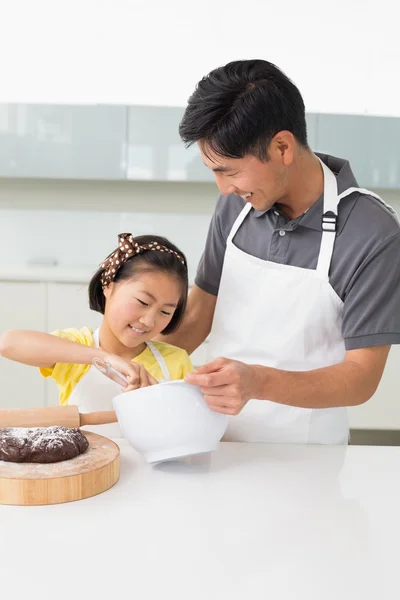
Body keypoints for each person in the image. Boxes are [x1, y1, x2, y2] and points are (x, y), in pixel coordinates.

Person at [159, 59, 400, 445]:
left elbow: (361, 377)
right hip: (215, 441)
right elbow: (201, 313)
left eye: (230, 171)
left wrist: (257, 382)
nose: (222, 189)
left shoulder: (372, 234)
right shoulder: (236, 205)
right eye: (214, 172)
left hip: (306, 459)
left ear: (282, 147)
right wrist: (131, 356)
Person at [0, 233, 193, 436]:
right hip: (83, 466)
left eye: (165, 312)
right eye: (143, 302)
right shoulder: (78, 346)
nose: (149, 321)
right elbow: (8, 343)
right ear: (108, 285)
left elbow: (186, 429)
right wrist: (103, 357)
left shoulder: (175, 361)